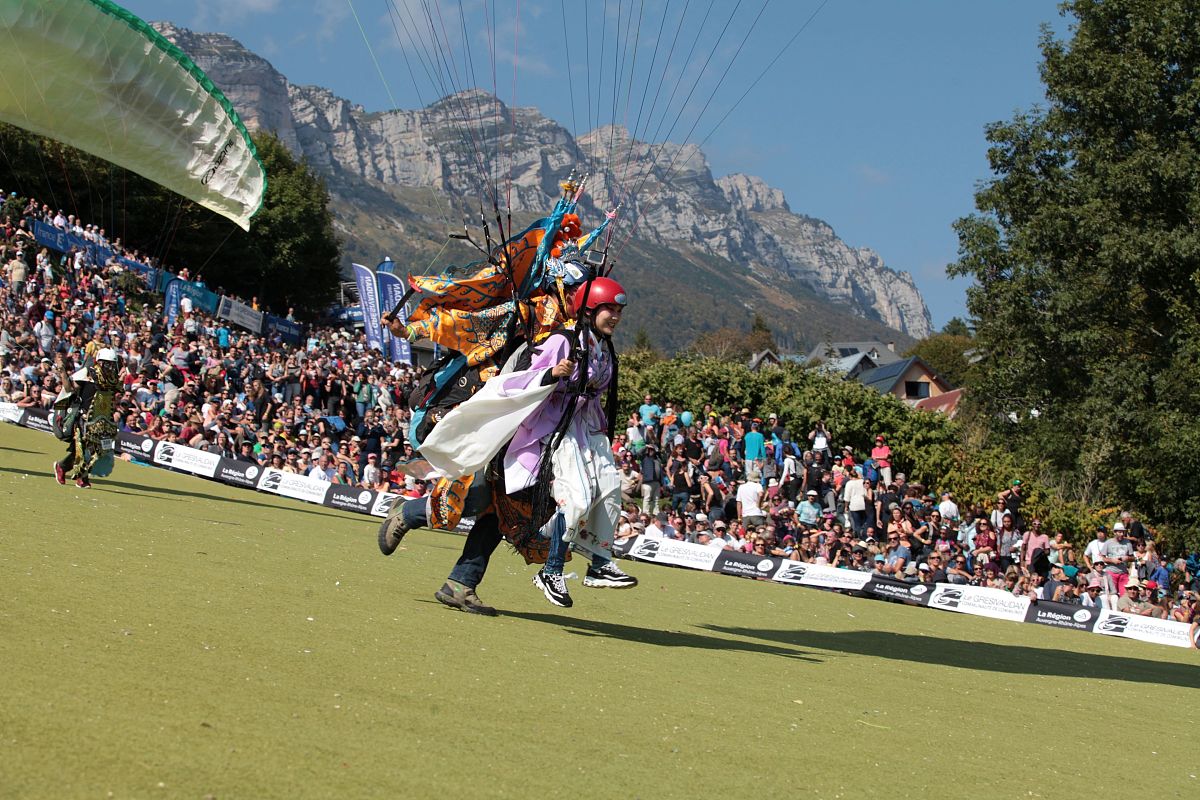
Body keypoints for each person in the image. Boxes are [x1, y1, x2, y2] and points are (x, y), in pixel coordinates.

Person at [53, 349, 121, 489]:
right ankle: (81, 477)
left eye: (111, 364)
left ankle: (62, 466)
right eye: (106, 364)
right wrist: (62, 372)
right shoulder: (88, 372)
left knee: (97, 450)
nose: (109, 367)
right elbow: (69, 388)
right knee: (83, 447)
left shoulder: (112, 378)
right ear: (100, 362)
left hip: (102, 419)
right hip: (84, 416)